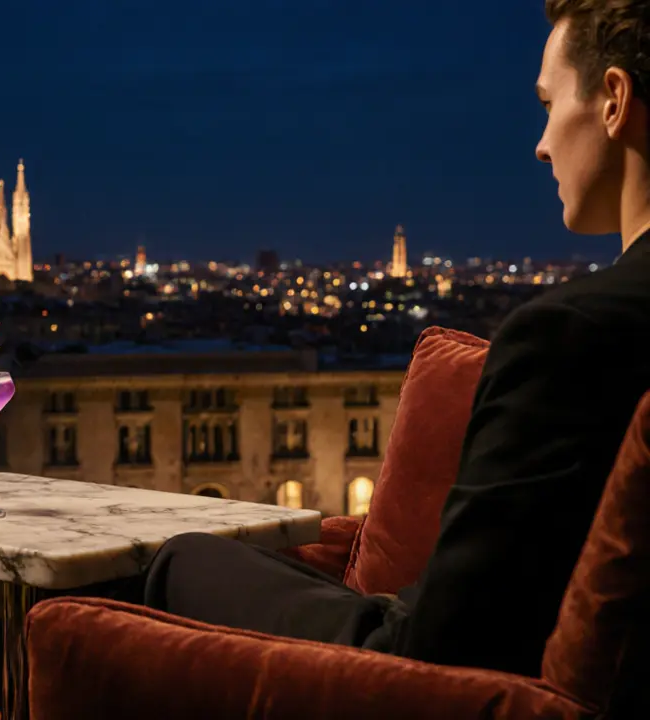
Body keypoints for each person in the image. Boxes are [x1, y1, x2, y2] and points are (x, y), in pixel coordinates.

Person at [103, 0, 650, 680]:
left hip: (436, 681)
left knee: (183, 557)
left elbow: (440, 649)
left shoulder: (569, 334)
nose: (540, 144)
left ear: (613, 101)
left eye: (547, 104)